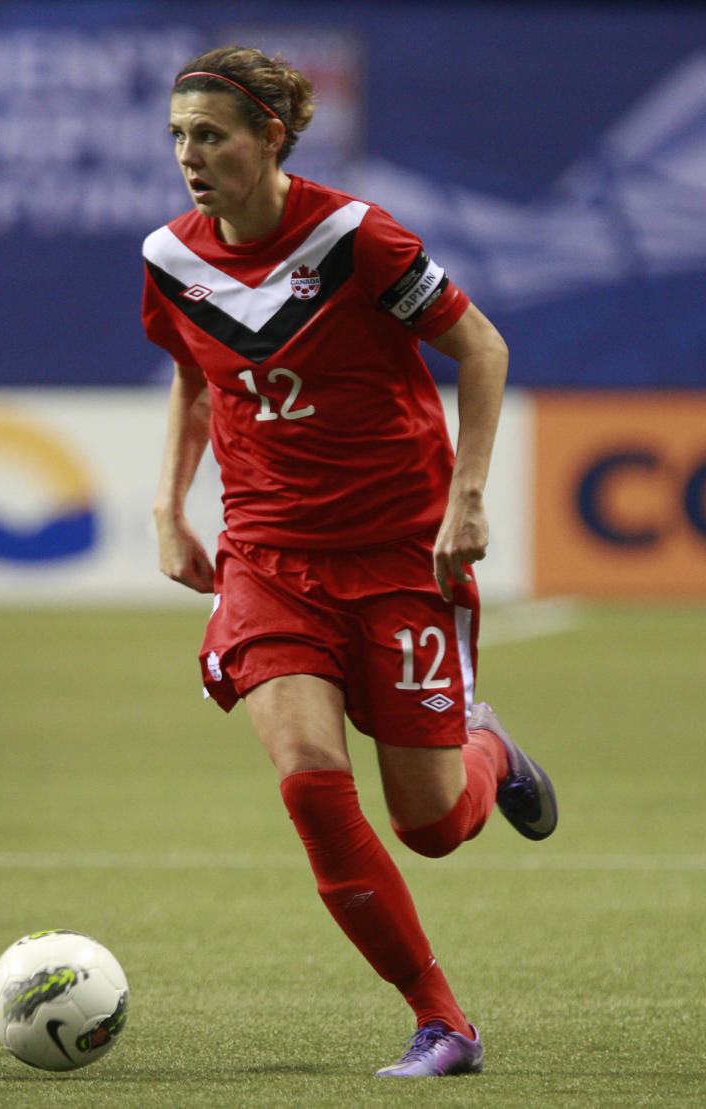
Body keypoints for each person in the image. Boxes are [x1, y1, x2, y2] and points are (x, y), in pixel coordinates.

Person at [141, 45, 557, 1079]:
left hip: (398, 554)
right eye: (179, 137)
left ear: (269, 139)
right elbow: (199, 374)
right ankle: (441, 1020)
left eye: (212, 136)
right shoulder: (169, 257)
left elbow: (485, 349)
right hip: (270, 558)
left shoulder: (354, 238)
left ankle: (487, 745)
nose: (191, 157)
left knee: (430, 825)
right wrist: (168, 506)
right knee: (312, 782)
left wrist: (467, 499)